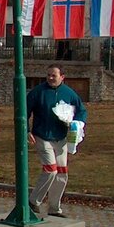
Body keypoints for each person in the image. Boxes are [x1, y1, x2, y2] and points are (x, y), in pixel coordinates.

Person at [26, 64, 88, 218]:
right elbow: (24, 110)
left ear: (62, 77)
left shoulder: (69, 93)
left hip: (60, 137)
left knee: (61, 173)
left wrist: (77, 123)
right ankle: (33, 201)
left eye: (54, 75)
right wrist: (26, 129)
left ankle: (54, 207)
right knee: (50, 169)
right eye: (48, 75)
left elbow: (81, 110)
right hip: (41, 135)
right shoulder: (38, 92)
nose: (50, 78)